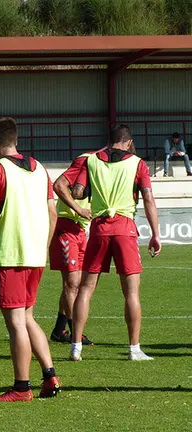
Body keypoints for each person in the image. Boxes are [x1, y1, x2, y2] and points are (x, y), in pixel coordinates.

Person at [0, 117, 61, 402]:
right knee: (27, 317)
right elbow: (53, 212)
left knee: (15, 322)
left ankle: (21, 387)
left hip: (12, 253)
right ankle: (50, 375)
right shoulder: (40, 168)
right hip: (36, 253)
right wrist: (43, 246)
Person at [69, 125, 162, 362]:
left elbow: (78, 191)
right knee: (131, 292)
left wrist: (85, 194)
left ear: (109, 141)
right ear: (129, 143)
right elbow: (148, 198)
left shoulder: (92, 161)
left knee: (86, 289)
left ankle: (76, 347)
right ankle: (134, 349)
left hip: (99, 227)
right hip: (125, 228)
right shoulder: (138, 163)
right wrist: (155, 233)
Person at [47, 149, 102, 346]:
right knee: (72, 284)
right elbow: (59, 186)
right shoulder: (86, 162)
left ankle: (59, 330)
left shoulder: (99, 166)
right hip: (66, 227)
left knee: (74, 284)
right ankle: (75, 332)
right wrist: (78, 208)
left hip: (80, 230)